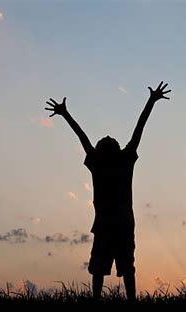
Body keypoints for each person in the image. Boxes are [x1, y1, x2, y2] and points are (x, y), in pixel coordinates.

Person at [45, 81, 171, 300]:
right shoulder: (123, 160)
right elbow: (138, 130)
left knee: (101, 268)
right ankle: (127, 299)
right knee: (121, 267)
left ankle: (99, 299)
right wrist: (151, 101)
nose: (106, 139)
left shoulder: (100, 163)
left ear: (101, 151)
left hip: (108, 224)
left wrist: (65, 114)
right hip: (120, 223)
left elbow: (82, 137)